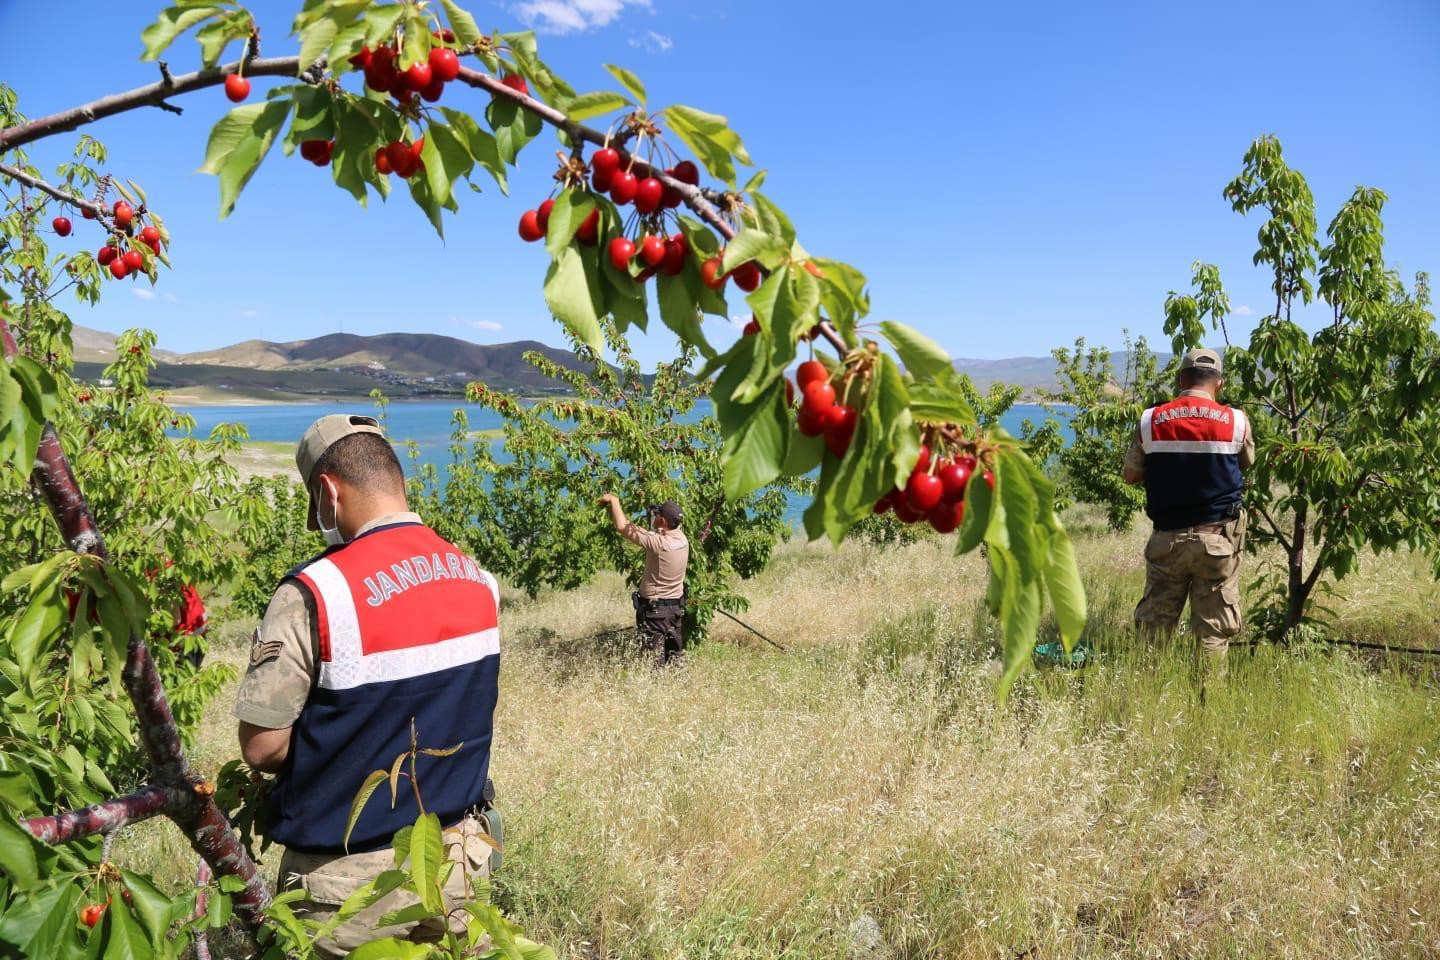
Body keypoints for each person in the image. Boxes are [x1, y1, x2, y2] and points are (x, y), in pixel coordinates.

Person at [234, 414, 501, 956]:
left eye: (317, 505)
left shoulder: (314, 593)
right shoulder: (478, 580)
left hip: (345, 888)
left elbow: (262, 747)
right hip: (458, 868)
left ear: (328, 492)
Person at [1123, 348, 1255, 660]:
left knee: (1154, 629)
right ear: (1219, 384)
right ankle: (1209, 703)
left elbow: (1130, 474)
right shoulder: (1237, 422)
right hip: (1218, 540)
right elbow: (1247, 462)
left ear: (1181, 379)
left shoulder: (1151, 420)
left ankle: (1146, 698)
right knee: (1213, 630)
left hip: (1167, 540)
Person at [599, 494, 689, 666]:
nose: (654, 517)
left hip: (655, 613)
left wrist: (614, 501)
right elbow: (656, 532)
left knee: (652, 662)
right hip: (674, 610)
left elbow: (622, 526)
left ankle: (656, 691)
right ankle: (676, 688)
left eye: (657, 515)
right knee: (674, 658)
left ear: (663, 521)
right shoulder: (682, 539)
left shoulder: (659, 544)